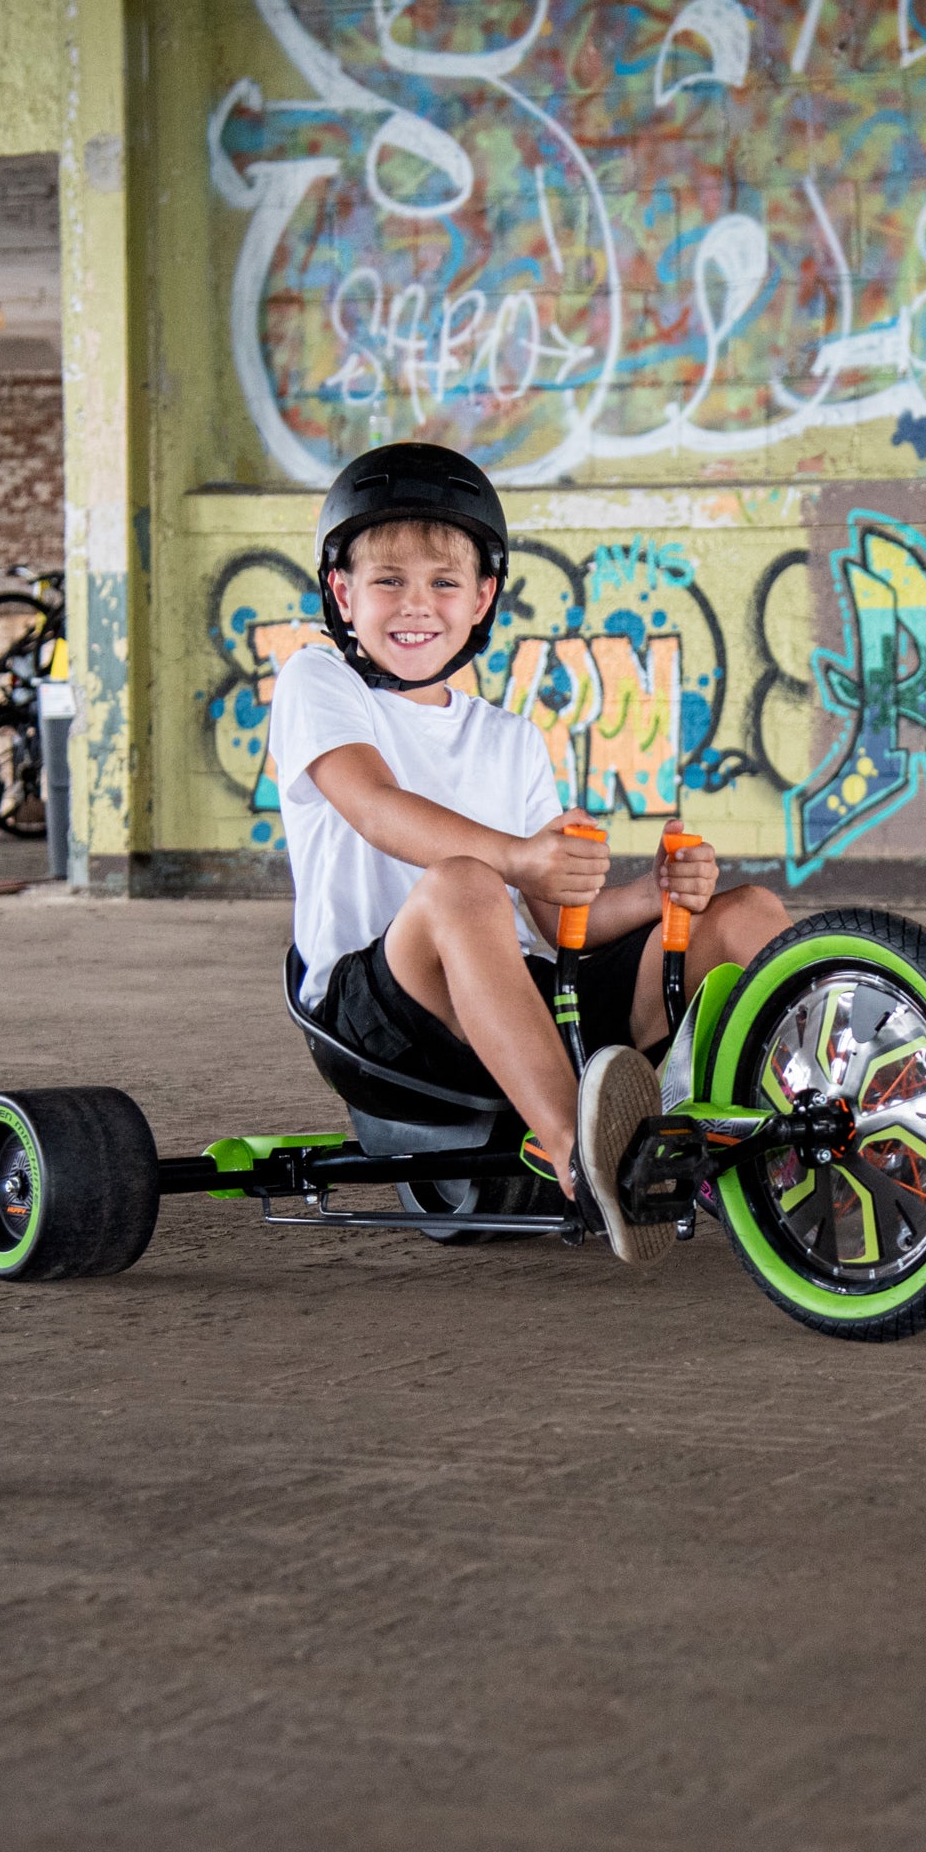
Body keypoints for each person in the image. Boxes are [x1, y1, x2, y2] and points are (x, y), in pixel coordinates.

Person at [269, 442, 792, 1262]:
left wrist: (657, 893)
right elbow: (374, 808)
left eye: (444, 584)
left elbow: (555, 926)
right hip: (379, 1009)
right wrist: (517, 857)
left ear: (481, 599)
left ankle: (761, 1130)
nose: (417, 605)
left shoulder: (509, 740)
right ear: (343, 592)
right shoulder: (319, 681)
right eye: (389, 582)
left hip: (520, 991)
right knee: (462, 886)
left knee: (748, 914)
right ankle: (583, 1155)